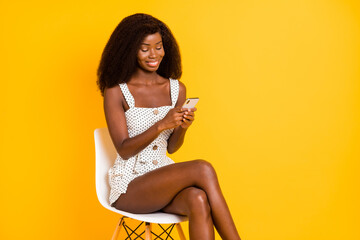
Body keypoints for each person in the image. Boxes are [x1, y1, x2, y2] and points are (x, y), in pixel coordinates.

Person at [97, 13, 241, 240]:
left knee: (198, 199)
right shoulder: (116, 92)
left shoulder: (177, 89)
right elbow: (124, 149)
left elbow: (172, 148)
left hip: (163, 177)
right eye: (145, 49)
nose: (154, 55)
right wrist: (162, 123)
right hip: (130, 185)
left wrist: (182, 126)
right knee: (203, 168)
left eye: (159, 47)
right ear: (129, 50)